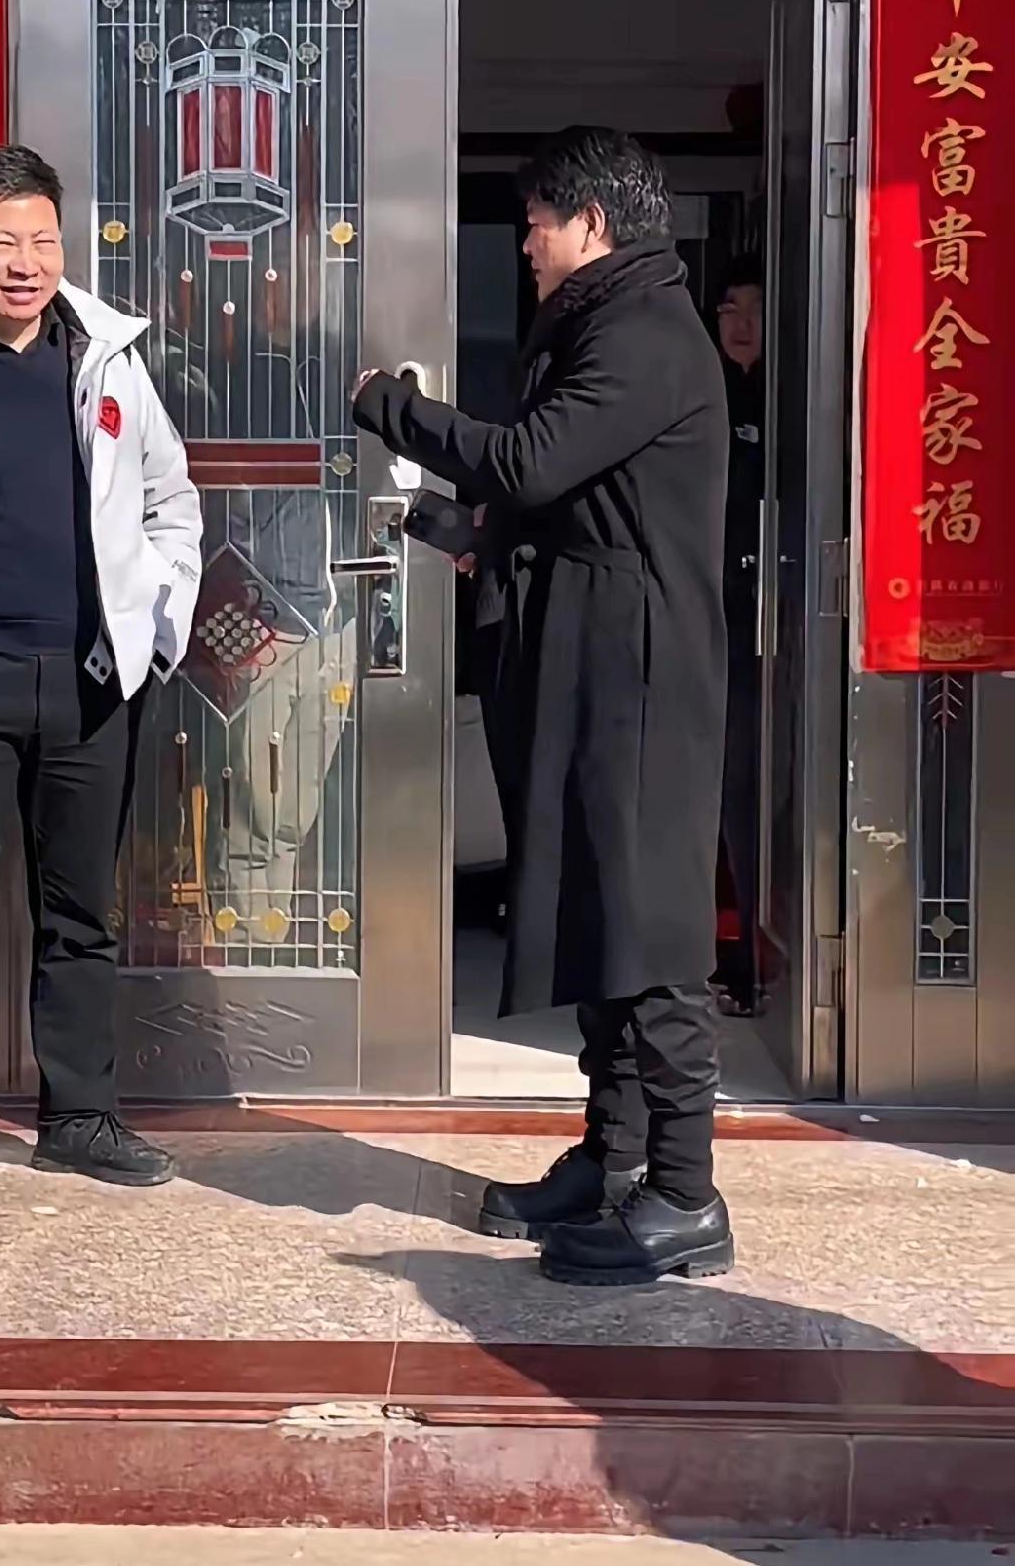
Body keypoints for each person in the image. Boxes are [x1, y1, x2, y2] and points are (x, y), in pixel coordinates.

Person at [354, 126, 732, 1286]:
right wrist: (470, 538)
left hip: (639, 677)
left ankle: (685, 1194)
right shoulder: (600, 325)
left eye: (536, 223)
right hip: (590, 662)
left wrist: (396, 410)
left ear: (593, 225)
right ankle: (611, 1159)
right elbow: (562, 503)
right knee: (597, 917)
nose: (525, 244)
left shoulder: (645, 331)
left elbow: (527, 463)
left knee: (651, 933)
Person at [0, 145, 203, 1224]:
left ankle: (80, 1117)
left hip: (94, 677)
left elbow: (169, 500)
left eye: (44, 240)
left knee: (82, 912)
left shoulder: (105, 353)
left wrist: (153, 632)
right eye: (3, 242)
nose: (27, 263)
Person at [714, 260, 765, 1017]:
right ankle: (732, 960)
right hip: (716, 619)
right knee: (726, 795)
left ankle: (758, 961)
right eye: (730, 308)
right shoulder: (704, 394)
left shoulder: (796, 398)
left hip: (783, 622)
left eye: (756, 308)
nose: (743, 323)